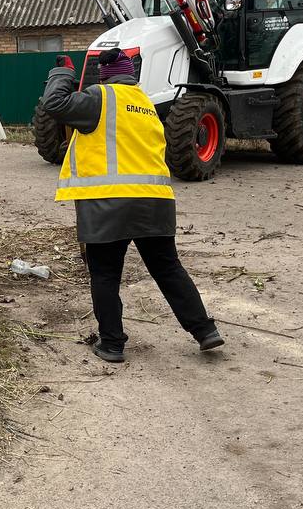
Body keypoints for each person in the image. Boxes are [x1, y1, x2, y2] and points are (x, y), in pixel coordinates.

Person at [41, 50, 223, 363]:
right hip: (156, 202)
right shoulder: (146, 105)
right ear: (131, 75)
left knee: (106, 273)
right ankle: (205, 330)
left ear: (104, 75)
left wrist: (62, 74)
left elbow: (54, 105)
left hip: (109, 203)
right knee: (168, 268)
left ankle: (112, 344)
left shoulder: (101, 98)